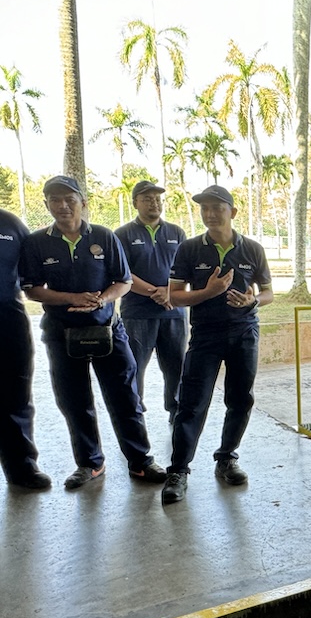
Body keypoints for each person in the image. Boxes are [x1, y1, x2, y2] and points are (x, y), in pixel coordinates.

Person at [20, 176, 168, 490]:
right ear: (46, 204)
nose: (62, 205)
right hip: (61, 335)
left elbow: (124, 281)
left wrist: (102, 299)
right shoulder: (36, 242)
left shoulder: (103, 236)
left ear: (83, 203)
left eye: (69, 199)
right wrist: (71, 298)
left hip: (108, 331)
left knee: (125, 397)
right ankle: (90, 463)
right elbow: (32, 289)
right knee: (75, 401)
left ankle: (140, 462)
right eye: (55, 200)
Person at [160, 185, 272, 505]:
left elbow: (268, 292)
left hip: (244, 333)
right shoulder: (190, 249)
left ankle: (226, 458)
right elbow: (174, 296)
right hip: (205, 335)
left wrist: (252, 301)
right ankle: (178, 471)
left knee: (240, 399)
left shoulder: (252, 249)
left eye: (217, 208)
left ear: (232, 212)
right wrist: (208, 292)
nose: (210, 214)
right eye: (204, 208)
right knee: (192, 403)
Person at [114, 180, 187, 423]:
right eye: (147, 199)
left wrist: (169, 292)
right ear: (135, 203)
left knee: (176, 366)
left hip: (173, 313)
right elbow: (122, 272)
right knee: (134, 366)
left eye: (157, 198)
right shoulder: (122, 234)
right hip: (137, 314)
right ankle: (134, 413)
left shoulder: (176, 233)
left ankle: (176, 411)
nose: (154, 203)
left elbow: (184, 270)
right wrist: (155, 292)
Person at [0, 209, 50, 490]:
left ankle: (22, 467)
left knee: (16, 393)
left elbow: (31, 270)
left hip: (9, 318)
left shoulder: (10, 224)